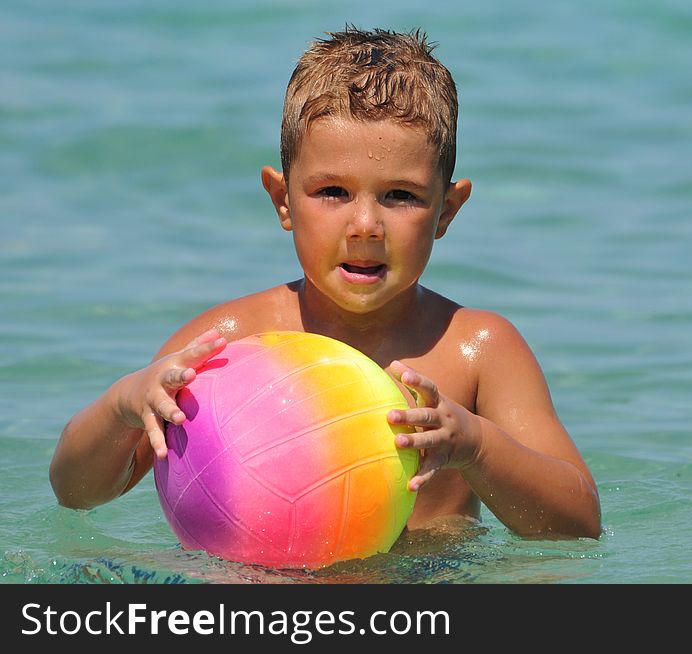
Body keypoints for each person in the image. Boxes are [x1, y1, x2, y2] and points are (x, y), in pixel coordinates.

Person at [49, 27, 601, 539]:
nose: (365, 226)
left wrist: (475, 447)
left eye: (401, 196)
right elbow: (76, 493)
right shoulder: (225, 345)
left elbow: (579, 523)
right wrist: (126, 403)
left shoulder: (478, 350)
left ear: (447, 211)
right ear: (282, 199)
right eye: (332, 192)